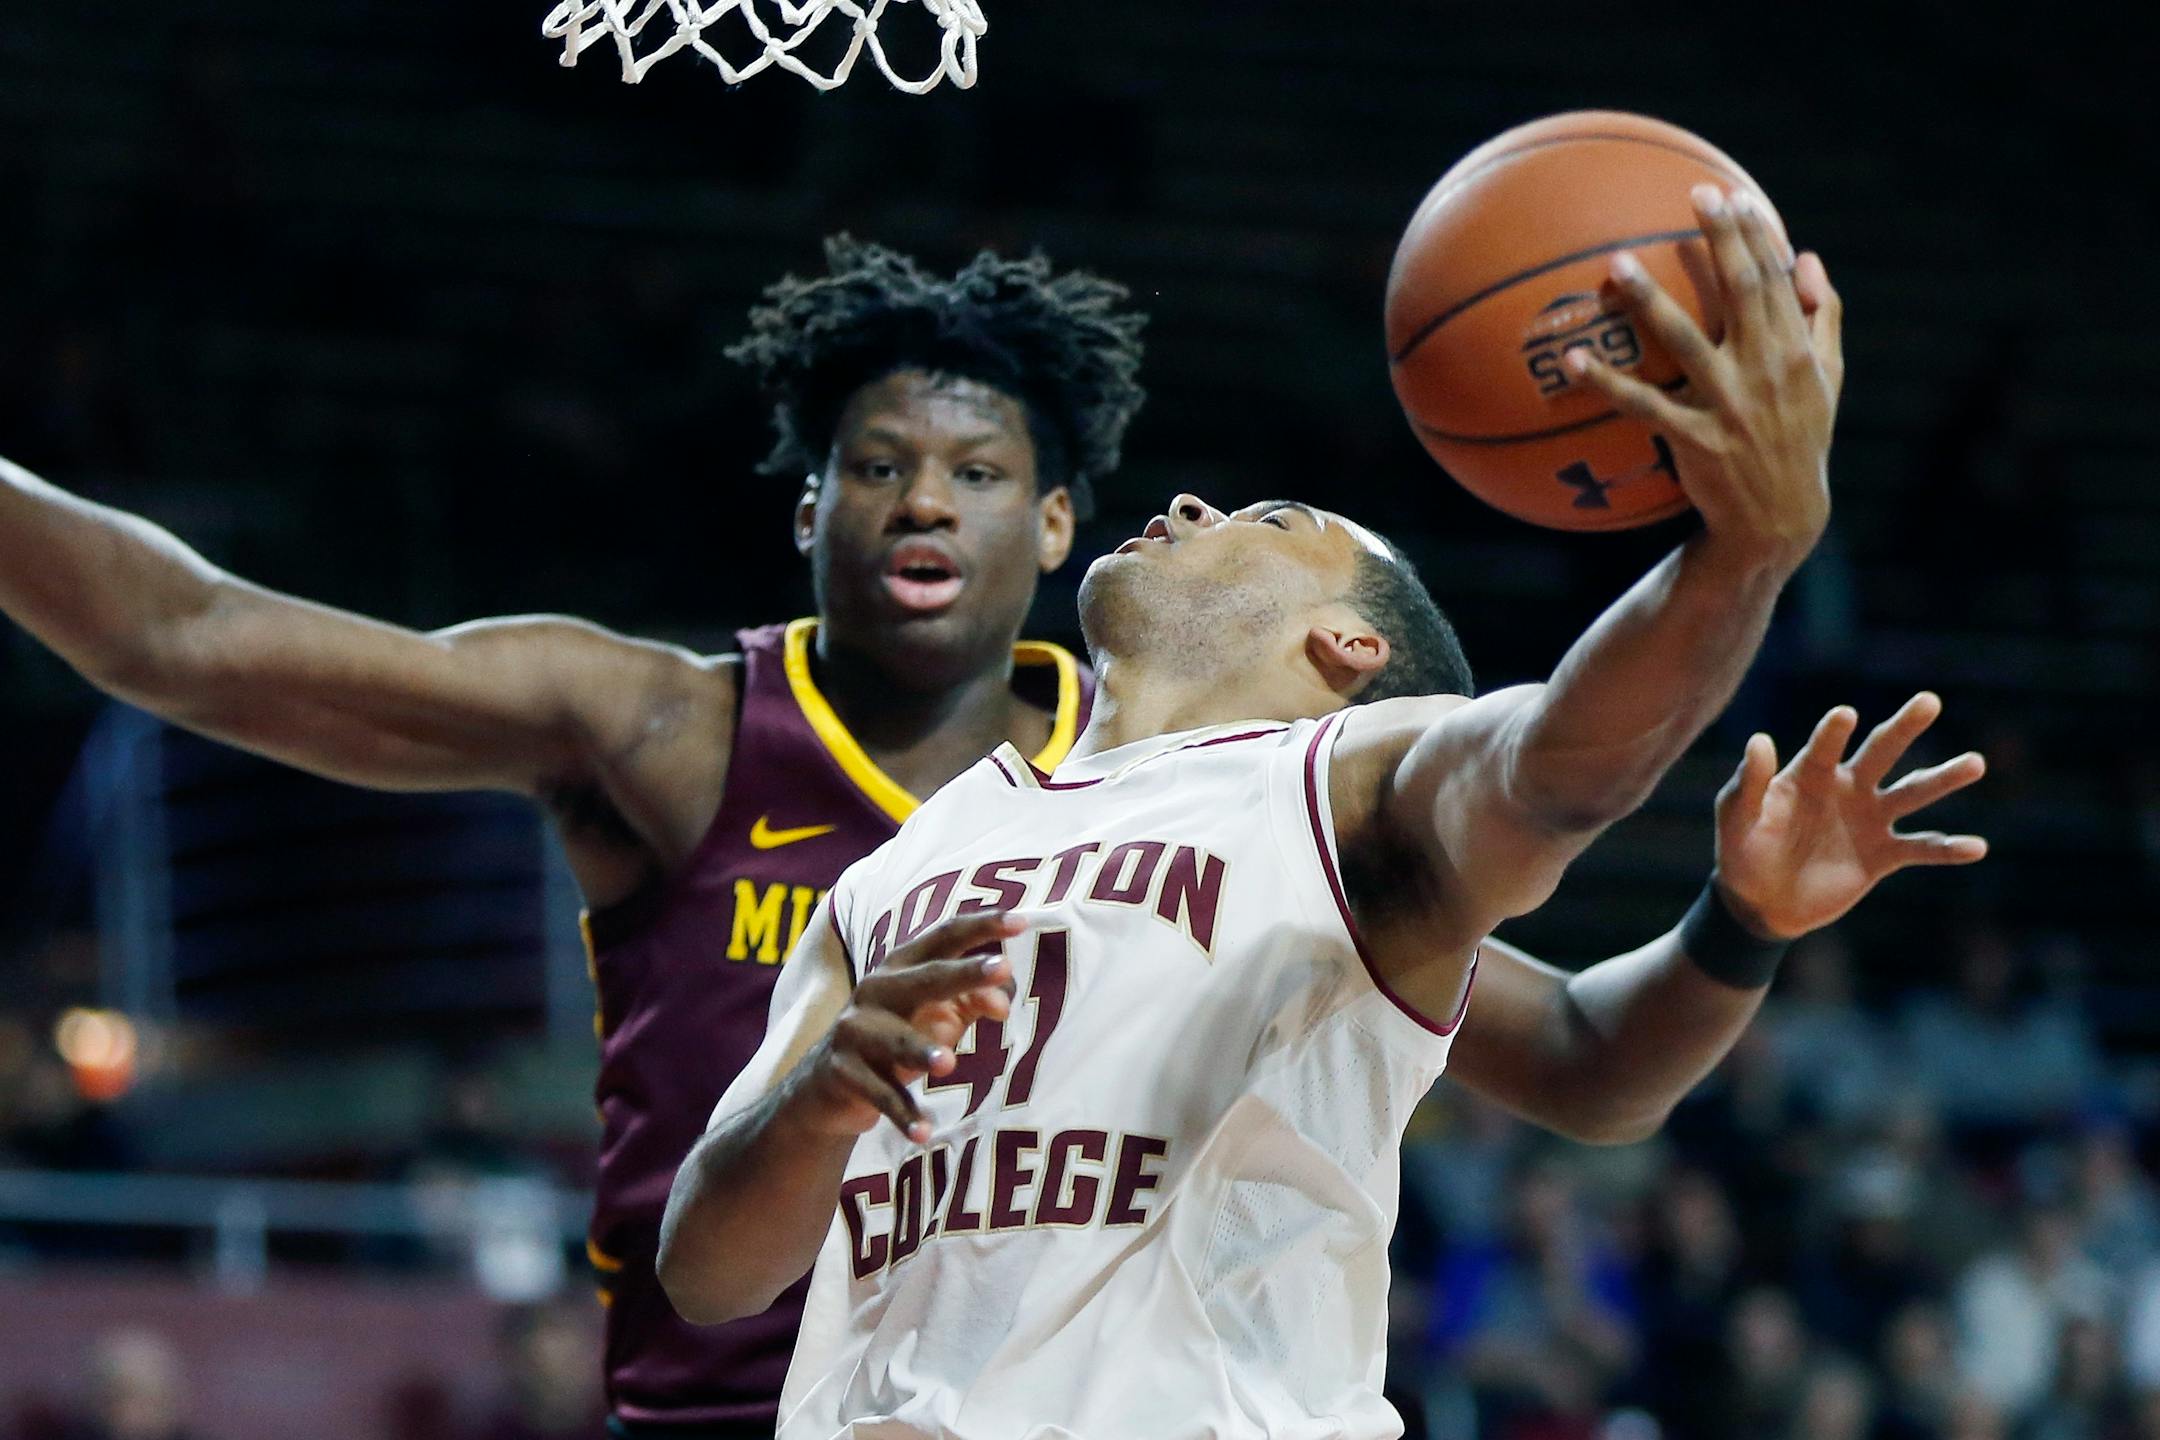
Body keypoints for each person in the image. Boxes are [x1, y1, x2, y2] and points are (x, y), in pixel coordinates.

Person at [657, 188, 1990, 1437]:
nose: (1192, 504)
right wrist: (821, 1103)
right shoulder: (914, 860)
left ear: (1349, 648)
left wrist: (1743, 554)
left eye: (1273, 519)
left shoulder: (1347, 790)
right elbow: (709, 1273)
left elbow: (1555, 769)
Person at [0, 236, 1138, 1437]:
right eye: (878, 465)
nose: (924, 502)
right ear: (810, 510)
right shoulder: (670, 734)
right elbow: (183, 638)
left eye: (978, 472)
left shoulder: (1160, 772)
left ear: (1054, 521)